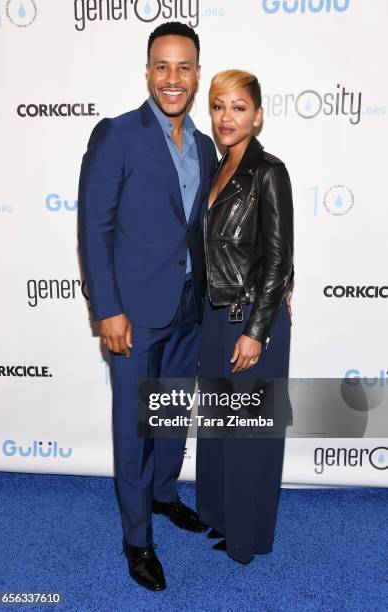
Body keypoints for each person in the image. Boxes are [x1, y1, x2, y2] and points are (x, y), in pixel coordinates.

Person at [77, 22, 217, 591]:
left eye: (184, 67)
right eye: (163, 66)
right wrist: (107, 309)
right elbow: (93, 227)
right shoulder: (117, 135)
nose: (173, 79)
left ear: (197, 73)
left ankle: (163, 498)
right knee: (134, 429)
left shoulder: (206, 146)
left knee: (170, 415)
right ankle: (137, 539)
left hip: (189, 307)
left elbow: (202, 229)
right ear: (148, 71)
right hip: (132, 314)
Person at [196, 69, 294, 564]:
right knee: (218, 429)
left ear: (257, 116)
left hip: (252, 318)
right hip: (215, 318)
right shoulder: (214, 170)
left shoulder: (268, 172)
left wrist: (258, 330)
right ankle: (221, 520)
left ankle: (248, 538)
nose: (226, 117)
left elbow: (280, 259)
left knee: (251, 432)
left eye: (238, 107)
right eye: (218, 107)